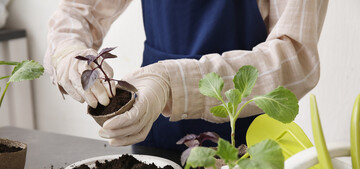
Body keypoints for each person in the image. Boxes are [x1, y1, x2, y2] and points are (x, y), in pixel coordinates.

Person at [44, 0, 328, 152]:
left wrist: (172, 82)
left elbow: (296, 56)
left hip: (244, 138)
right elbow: (78, 11)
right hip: (154, 128)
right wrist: (68, 51)